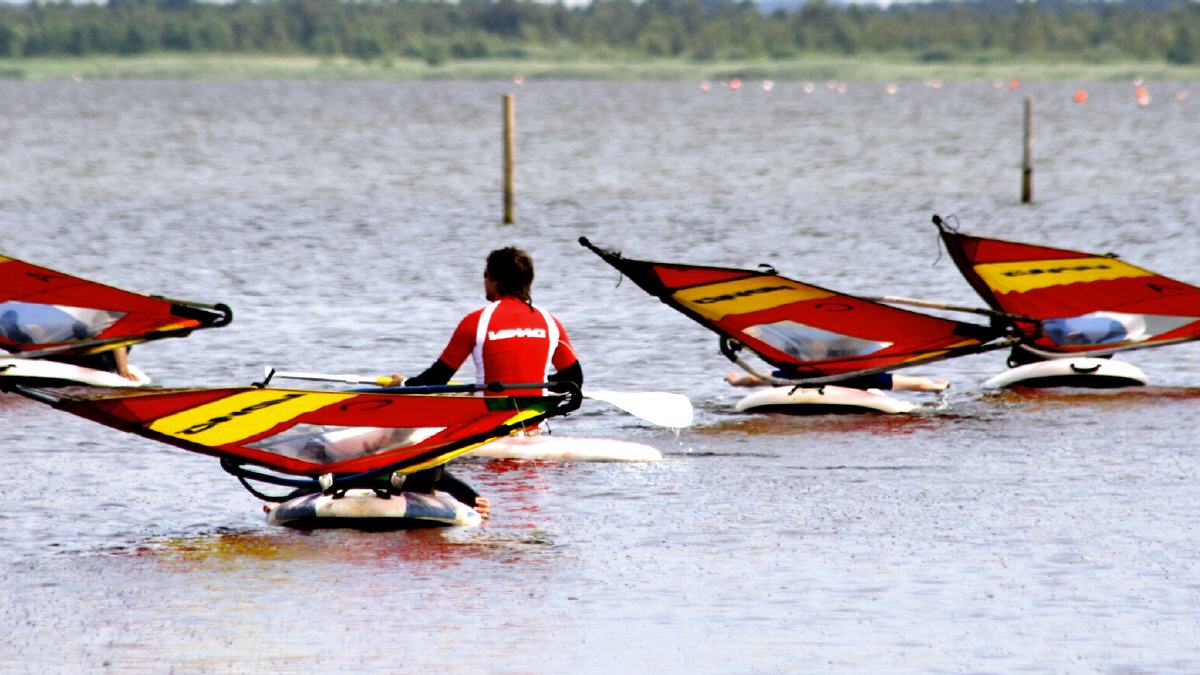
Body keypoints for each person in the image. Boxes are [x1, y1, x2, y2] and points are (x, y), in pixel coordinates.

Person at [385, 246, 584, 519]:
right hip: (532, 435)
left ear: (495, 280)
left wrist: (401, 384)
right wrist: (535, 383)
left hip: (485, 438)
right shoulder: (551, 323)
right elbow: (574, 380)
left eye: (485, 275)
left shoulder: (476, 322)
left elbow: (435, 380)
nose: (484, 281)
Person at [725, 369, 949, 392]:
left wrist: (735, 382)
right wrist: (937, 387)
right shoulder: (862, 375)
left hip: (802, 385)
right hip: (855, 386)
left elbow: (754, 379)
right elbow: (916, 384)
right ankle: (938, 388)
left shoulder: (798, 372)